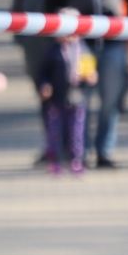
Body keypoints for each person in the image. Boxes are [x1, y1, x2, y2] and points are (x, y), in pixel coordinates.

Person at [47, 0, 128, 168]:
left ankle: (105, 150)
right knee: (82, 100)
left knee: (111, 99)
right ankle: (81, 149)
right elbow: (52, 3)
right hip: (82, 49)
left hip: (113, 45)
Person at [37, 11, 94, 175]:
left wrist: (90, 77)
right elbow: (43, 72)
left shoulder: (83, 49)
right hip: (57, 98)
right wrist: (45, 85)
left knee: (77, 131)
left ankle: (76, 160)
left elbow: (90, 71)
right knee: (55, 131)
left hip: (77, 96)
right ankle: (55, 160)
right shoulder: (53, 51)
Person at [12, 0, 58, 109]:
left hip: (53, 44)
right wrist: (20, 38)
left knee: (56, 88)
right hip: (32, 46)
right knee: (41, 89)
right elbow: (16, 10)